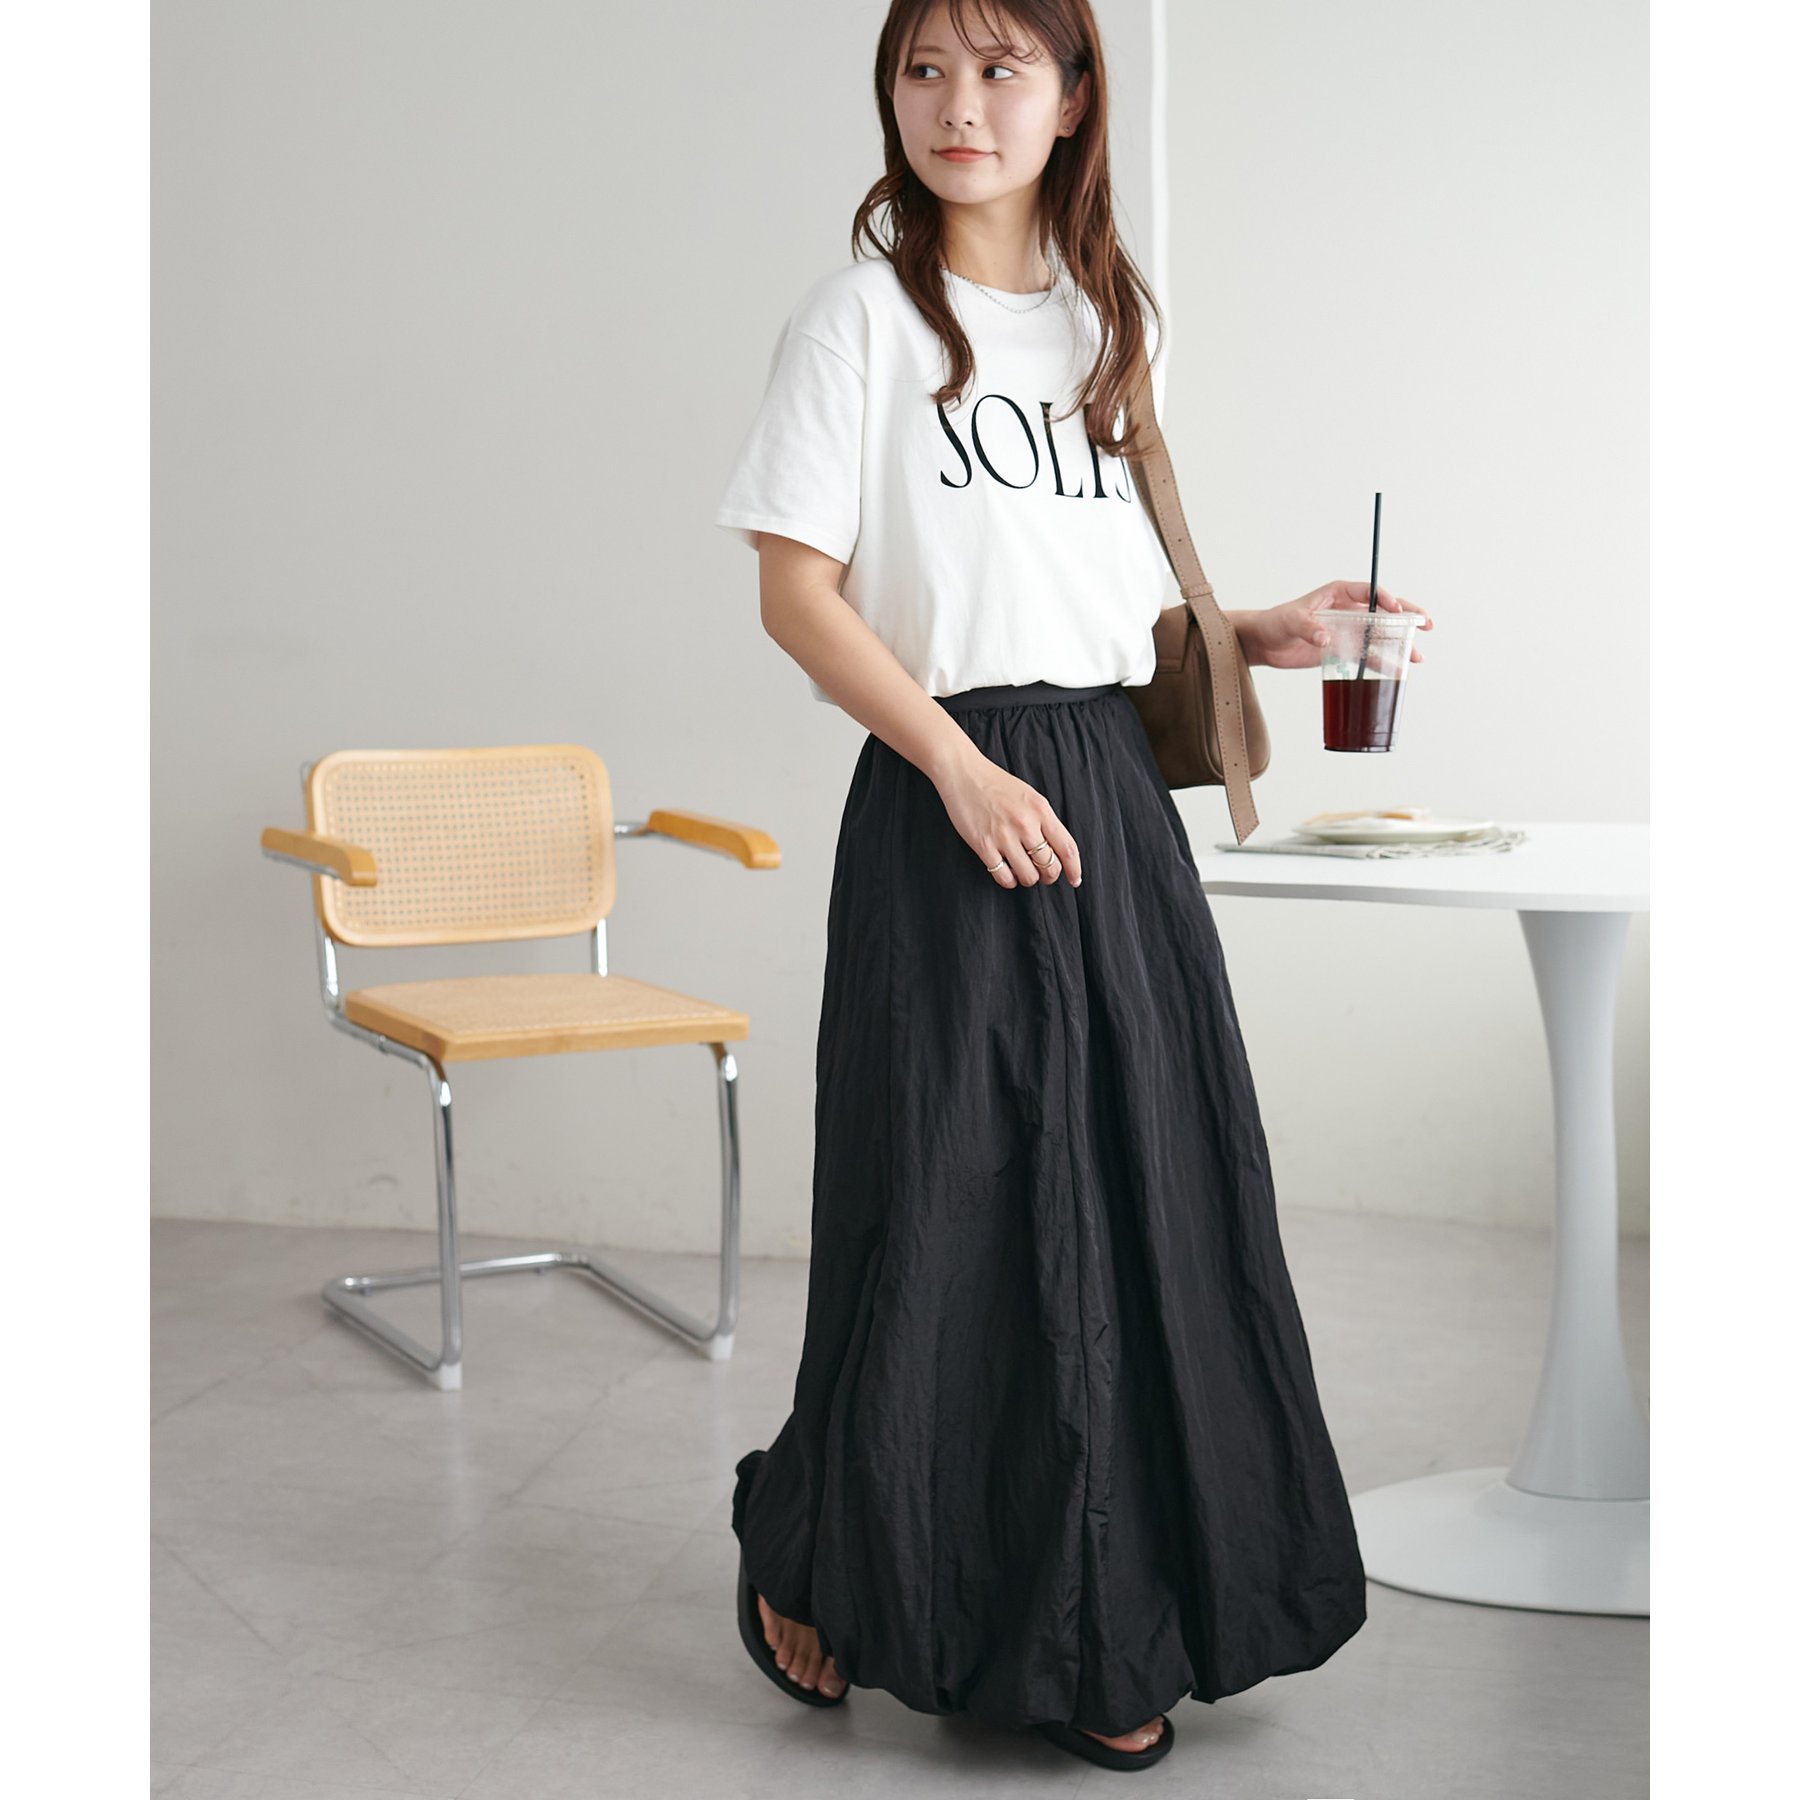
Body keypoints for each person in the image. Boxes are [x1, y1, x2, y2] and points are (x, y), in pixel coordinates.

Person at [714, 0, 1431, 1773]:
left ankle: (1110, 1622)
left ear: (1071, 93)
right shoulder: (858, 319)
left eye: (1001, 67)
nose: (959, 104)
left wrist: (1263, 628)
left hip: (1104, 791)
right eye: (925, 68)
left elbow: (1097, 599)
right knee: (936, 1199)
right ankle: (819, 1547)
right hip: (942, 785)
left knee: (1139, 1197)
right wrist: (952, 770)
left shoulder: (1111, 326)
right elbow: (799, 595)